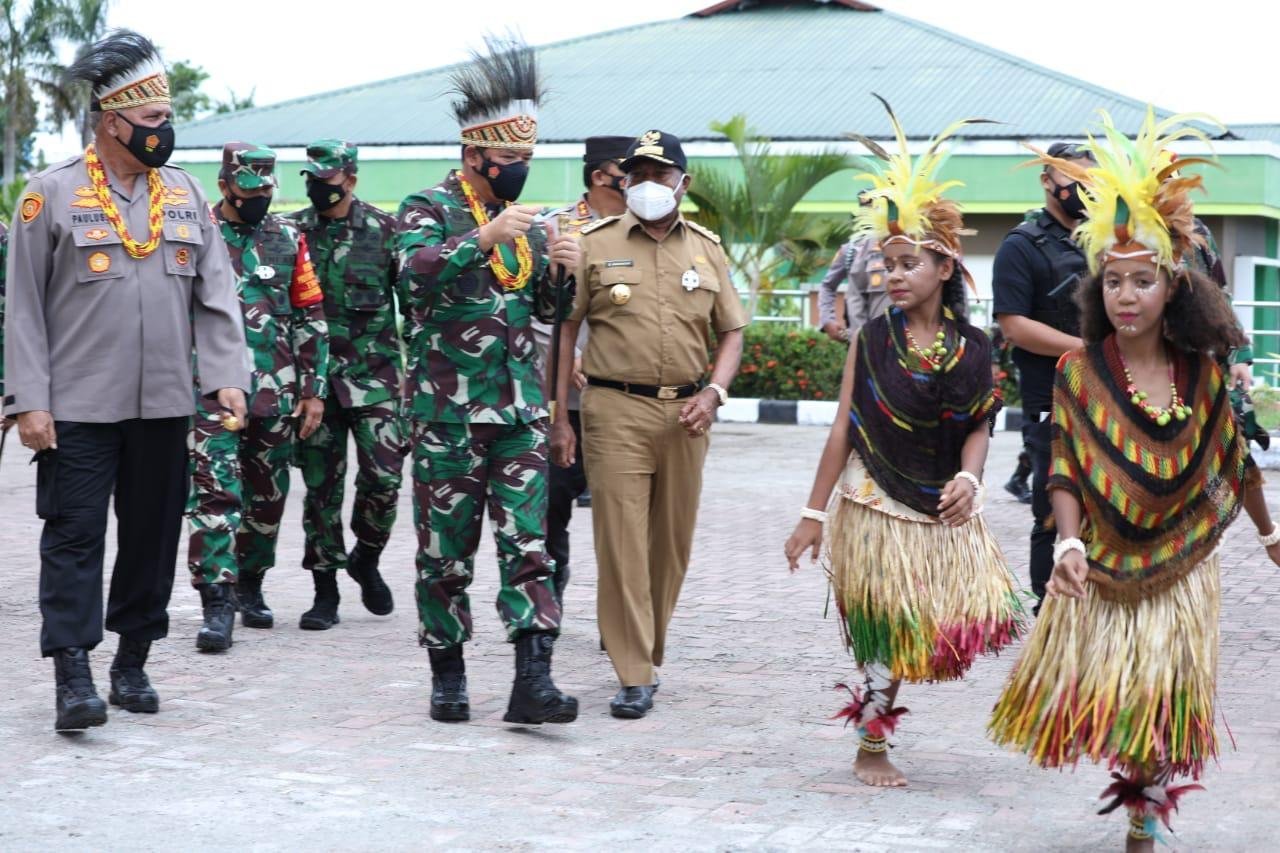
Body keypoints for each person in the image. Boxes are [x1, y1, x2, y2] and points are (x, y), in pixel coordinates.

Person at [988, 109, 1280, 851]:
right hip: (1106, 558)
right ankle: (1137, 799)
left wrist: (1270, 532)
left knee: (1161, 696)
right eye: (1112, 280)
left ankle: (1143, 818)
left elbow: (1235, 461)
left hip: (1182, 564)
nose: (1125, 295)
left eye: (1142, 281)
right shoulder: (1078, 372)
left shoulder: (1201, 373)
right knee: (1126, 698)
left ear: (1172, 286)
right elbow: (1064, 466)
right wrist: (1068, 544)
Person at [3, 30, 248, 729]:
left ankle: (132, 660)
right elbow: (22, 307)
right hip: (76, 407)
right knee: (74, 538)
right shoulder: (50, 194)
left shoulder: (186, 193)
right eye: (152, 119)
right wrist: (28, 400)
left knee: (152, 538)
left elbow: (216, 293)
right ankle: (73, 675)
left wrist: (226, 375)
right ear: (112, 121)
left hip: (164, 403)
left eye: (167, 119)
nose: (163, 130)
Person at [783, 103, 1023, 788]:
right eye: (886, 264)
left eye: (907, 263)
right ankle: (871, 743)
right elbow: (843, 427)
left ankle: (878, 721)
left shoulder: (973, 347)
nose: (892, 275)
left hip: (941, 503)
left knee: (937, 625)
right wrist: (813, 514)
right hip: (874, 500)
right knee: (887, 624)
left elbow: (978, 424)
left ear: (944, 267)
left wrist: (970, 479)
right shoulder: (870, 339)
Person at [395, 36, 579, 726]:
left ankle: (533, 681)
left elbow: (546, 312)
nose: (521, 169)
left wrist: (562, 269)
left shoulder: (527, 229)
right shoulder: (425, 206)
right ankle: (448, 675)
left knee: (530, 547)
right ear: (475, 155)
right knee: (445, 554)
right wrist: (483, 237)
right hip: (447, 415)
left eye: (528, 157)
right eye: (510, 157)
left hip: (519, 415)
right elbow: (411, 275)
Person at [550, 129, 748, 719]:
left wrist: (715, 392)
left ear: (683, 183)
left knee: (671, 545)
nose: (646, 185)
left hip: (688, 416)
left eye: (659, 175)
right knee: (621, 542)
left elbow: (731, 331)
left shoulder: (707, 249)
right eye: (636, 175)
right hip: (615, 409)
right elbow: (565, 330)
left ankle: (647, 645)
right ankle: (634, 670)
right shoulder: (593, 242)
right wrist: (560, 416)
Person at [188, 142, 329, 647]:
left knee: (267, 499)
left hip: (274, 390)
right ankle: (217, 599)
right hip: (209, 389)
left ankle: (250, 581)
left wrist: (313, 389)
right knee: (214, 492)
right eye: (248, 190)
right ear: (224, 185)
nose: (259, 199)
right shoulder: (195, 234)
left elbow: (310, 314)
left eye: (266, 189)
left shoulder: (287, 237)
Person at [287, 139, 405, 630]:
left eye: (328, 180)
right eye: (312, 180)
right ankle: (325, 590)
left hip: (376, 378)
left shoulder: (385, 231)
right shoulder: (292, 231)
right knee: (321, 488)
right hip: (314, 382)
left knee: (385, 478)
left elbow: (414, 303)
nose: (318, 188)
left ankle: (366, 556)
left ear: (350, 180)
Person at [992, 140, 1096, 609]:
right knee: (1052, 506)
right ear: (1047, 181)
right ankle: (1049, 606)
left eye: (1092, 181)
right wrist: (1087, 350)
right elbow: (1014, 325)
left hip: (1107, 397)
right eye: (1075, 178)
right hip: (1050, 398)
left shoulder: (1103, 242)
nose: (1084, 189)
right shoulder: (1021, 245)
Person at [532, 134, 631, 603]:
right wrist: (569, 356)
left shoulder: (645, 230)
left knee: (622, 509)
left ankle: (621, 610)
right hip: (562, 398)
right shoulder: (553, 230)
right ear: (599, 176)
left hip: (623, 395)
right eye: (629, 174)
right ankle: (551, 580)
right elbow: (535, 308)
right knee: (552, 501)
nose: (640, 184)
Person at [817, 192, 890, 344]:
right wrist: (827, 319)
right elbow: (828, 286)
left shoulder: (905, 245)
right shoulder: (851, 250)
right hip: (861, 340)